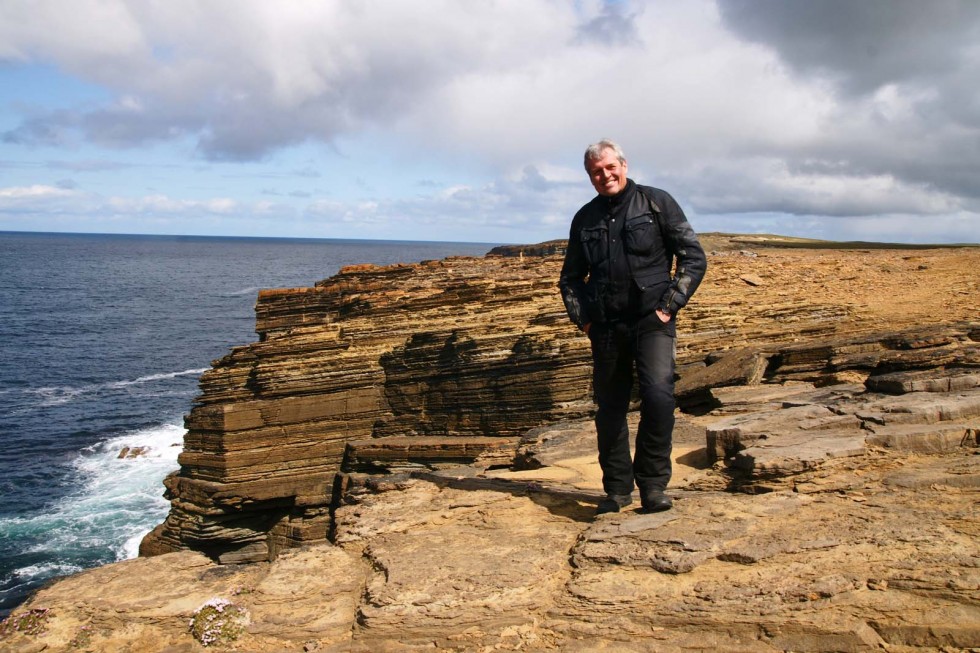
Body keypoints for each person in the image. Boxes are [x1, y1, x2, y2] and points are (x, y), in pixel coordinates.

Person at [559, 139, 707, 516]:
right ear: (589, 177)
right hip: (606, 326)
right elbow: (571, 279)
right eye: (596, 171)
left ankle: (654, 486)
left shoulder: (657, 202)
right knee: (610, 409)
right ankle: (617, 491)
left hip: (651, 321)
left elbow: (693, 258)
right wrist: (586, 321)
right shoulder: (585, 218)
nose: (604, 175)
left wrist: (668, 308)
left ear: (623, 165)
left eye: (609, 167)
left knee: (659, 397)